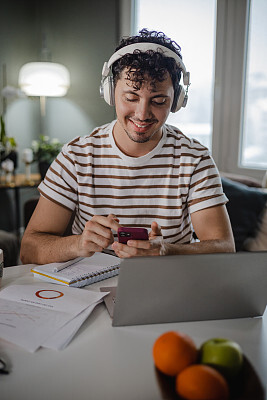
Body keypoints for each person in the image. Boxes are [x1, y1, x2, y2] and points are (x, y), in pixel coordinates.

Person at [20, 29, 235, 265]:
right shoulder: (76, 156)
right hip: (87, 295)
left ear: (177, 101)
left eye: (159, 101)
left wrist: (165, 250)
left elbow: (224, 248)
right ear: (110, 93)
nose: (142, 114)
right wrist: (78, 243)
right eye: (131, 97)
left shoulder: (194, 158)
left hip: (167, 291)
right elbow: (29, 249)